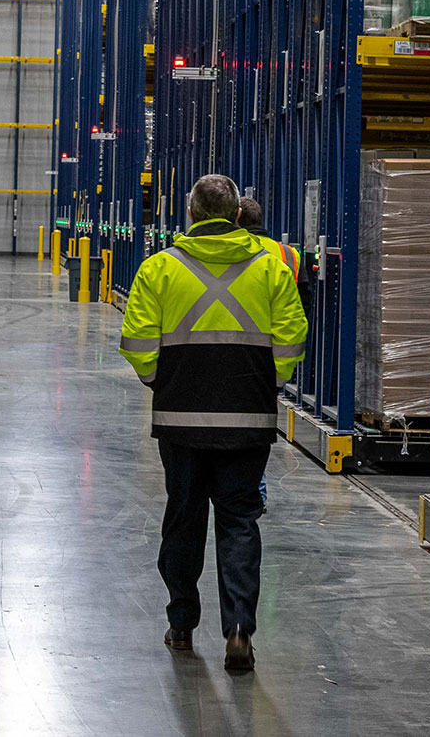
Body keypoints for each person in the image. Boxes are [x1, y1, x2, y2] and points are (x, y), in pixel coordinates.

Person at [119, 174, 307, 672]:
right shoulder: (271, 269)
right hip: (248, 419)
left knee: (184, 517)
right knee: (240, 520)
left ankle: (182, 624)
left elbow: (137, 341)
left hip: (180, 420)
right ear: (237, 215)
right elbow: (291, 339)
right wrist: (263, 382)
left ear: (191, 215)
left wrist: (164, 380)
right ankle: (240, 629)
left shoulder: (158, 269)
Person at [237, 196, 313, 511]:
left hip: (239, 346)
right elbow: (303, 308)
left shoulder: (238, 252)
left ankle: (252, 492)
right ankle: (256, 493)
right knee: (258, 425)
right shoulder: (289, 255)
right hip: (272, 352)